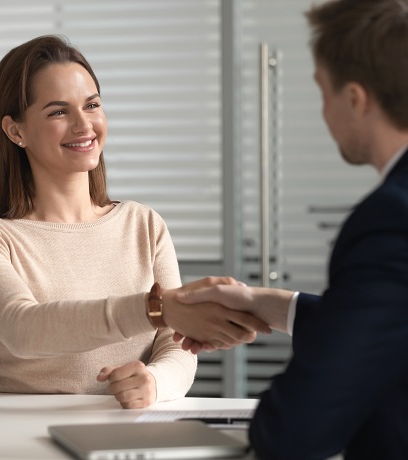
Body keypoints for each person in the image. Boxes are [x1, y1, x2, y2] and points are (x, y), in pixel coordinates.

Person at [0, 35, 269, 409]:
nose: (84, 125)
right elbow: (22, 328)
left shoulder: (144, 225)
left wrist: (154, 381)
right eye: (58, 111)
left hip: (127, 429)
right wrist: (155, 308)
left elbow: (175, 344)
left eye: (92, 105)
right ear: (16, 130)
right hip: (19, 433)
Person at [175, 0, 408, 458]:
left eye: (323, 92)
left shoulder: (389, 218)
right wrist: (270, 305)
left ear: (355, 99)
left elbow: (293, 431)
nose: (323, 113)